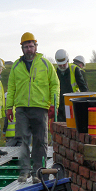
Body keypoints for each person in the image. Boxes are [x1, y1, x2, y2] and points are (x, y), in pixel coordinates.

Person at [6, 32, 60, 183]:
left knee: (40, 141)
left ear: (36, 47)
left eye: (31, 46)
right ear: (22, 48)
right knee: (22, 140)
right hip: (22, 109)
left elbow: (55, 84)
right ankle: (24, 172)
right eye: (26, 46)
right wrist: (9, 107)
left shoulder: (45, 64)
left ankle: (39, 172)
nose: (29, 49)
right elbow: (11, 87)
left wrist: (53, 104)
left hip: (40, 108)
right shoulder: (16, 66)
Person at [55, 49, 89, 122]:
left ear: (67, 60)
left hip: (73, 104)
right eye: (60, 65)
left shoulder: (74, 69)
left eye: (64, 64)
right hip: (60, 106)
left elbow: (84, 88)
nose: (62, 66)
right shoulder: (55, 72)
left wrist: (85, 104)